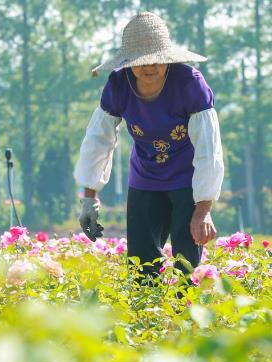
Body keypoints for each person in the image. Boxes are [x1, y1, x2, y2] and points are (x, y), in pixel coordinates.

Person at [74, 12, 224, 277]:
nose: (149, 66)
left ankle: (185, 314)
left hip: (188, 181)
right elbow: (98, 140)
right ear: (128, 62)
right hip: (145, 178)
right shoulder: (118, 85)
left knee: (186, 264)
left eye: (156, 59)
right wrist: (89, 198)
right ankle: (147, 316)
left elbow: (208, 150)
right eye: (140, 60)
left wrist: (203, 209)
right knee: (141, 265)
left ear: (167, 58)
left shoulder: (189, 84)